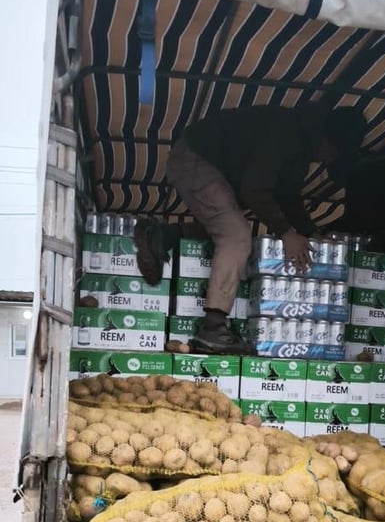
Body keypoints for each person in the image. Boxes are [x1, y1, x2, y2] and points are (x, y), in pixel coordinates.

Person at [135, 103, 368, 354]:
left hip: (217, 169)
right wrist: (287, 233)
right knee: (236, 234)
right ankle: (213, 329)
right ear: (327, 139)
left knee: (226, 227)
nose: (327, 161)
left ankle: (163, 235)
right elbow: (255, 190)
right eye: (332, 154)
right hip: (197, 157)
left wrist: (310, 233)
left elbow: (288, 196)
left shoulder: (303, 144)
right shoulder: (287, 133)